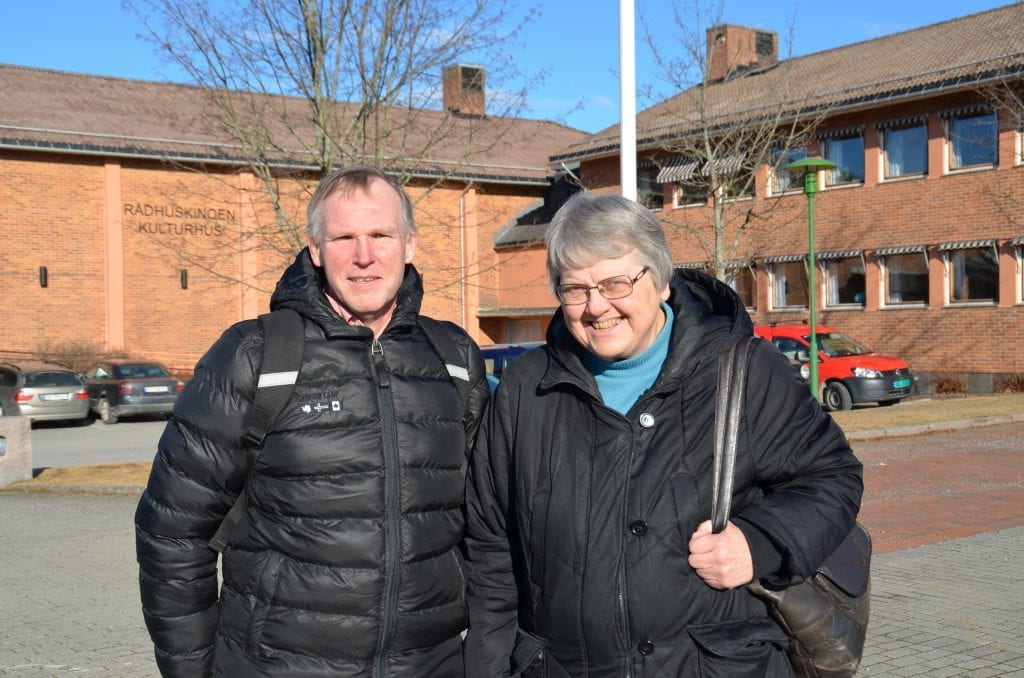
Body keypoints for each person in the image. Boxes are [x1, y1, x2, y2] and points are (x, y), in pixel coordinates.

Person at [463, 193, 863, 677]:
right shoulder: (527, 390)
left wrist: (760, 541)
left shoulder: (744, 371)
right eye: (575, 289)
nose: (595, 307)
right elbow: (492, 549)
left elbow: (832, 476)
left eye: (614, 283)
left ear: (661, 281)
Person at [136, 166, 490, 677]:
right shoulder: (254, 355)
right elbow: (172, 532)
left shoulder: (454, 357)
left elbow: (488, 528)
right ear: (316, 249)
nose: (364, 255)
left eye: (380, 235)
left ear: (409, 243)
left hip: (431, 665)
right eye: (344, 237)